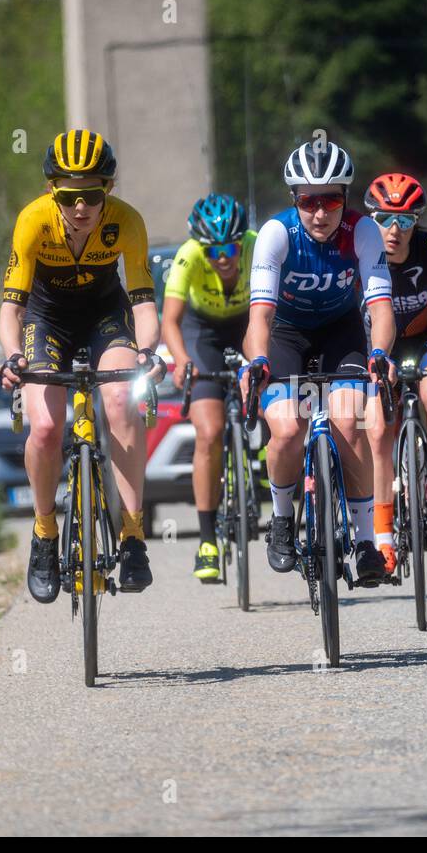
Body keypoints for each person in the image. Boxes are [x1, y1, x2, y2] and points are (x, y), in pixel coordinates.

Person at [0, 129, 164, 602]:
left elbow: (144, 304)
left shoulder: (127, 222)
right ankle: (45, 533)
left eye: (91, 195)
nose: (80, 208)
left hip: (105, 317)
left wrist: (149, 354)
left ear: (107, 189)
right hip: (47, 320)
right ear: (53, 190)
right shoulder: (32, 221)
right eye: (70, 197)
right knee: (46, 427)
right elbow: (11, 308)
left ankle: (132, 535)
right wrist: (13, 357)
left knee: (120, 401)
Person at [241, 140, 395, 584]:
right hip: (285, 335)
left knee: (349, 423)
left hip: (340, 333)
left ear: (344, 198)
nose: (320, 212)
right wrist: (258, 361)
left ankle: (366, 543)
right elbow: (261, 316)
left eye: (330, 199)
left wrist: (380, 354)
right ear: (295, 200)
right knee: (288, 428)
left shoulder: (362, 231)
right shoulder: (276, 233)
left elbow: (380, 308)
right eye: (309, 201)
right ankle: (284, 519)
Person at [360, 173, 427, 575]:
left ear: (417, 221)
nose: (394, 229)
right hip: (378, 347)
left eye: (405, 220)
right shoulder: (363, 251)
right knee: (378, 432)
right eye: (384, 218)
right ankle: (383, 538)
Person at [161, 194, 257, 582]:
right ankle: (207, 541)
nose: (222, 257)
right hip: (202, 333)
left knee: (270, 392)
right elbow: (171, 320)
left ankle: (269, 461)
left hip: (249, 322)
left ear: (241, 241)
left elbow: (276, 311)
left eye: (230, 248)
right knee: (209, 432)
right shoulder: (188, 255)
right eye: (213, 250)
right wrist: (182, 360)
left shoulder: (256, 245)